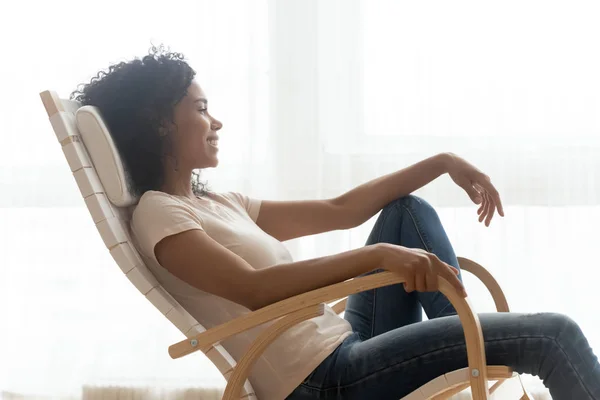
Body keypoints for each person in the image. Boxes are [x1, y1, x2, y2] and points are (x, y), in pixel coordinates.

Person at [72, 47, 600, 400]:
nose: (217, 122)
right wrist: (375, 257)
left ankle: (471, 346)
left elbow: (340, 210)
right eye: (202, 108)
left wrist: (442, 162)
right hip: (326, 380)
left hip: (346, 340)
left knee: (406, 211)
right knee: (553, 335)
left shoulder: (219, 202)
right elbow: (255, 290)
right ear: (160, 123)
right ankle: (476, 345)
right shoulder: (160, 213)